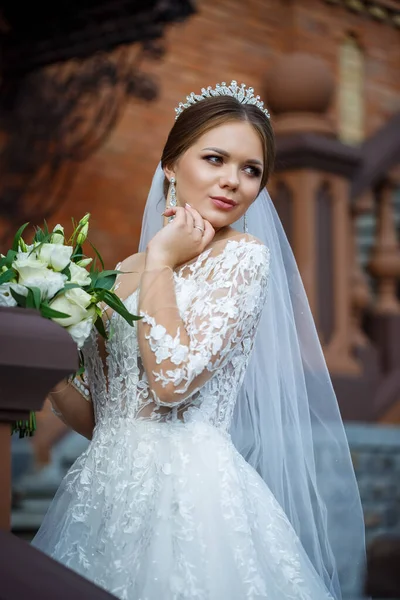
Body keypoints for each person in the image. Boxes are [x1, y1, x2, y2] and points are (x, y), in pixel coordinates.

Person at [32, 81, 366, 600]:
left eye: (250, 170)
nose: (233, 181)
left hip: (190, 497)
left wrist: (162, 260)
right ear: (170, 165)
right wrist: (47, 363)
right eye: (215, 159)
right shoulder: (120, 273)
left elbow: (171, 383)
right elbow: (103, 419)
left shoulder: (242, 259)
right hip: (102, 495)